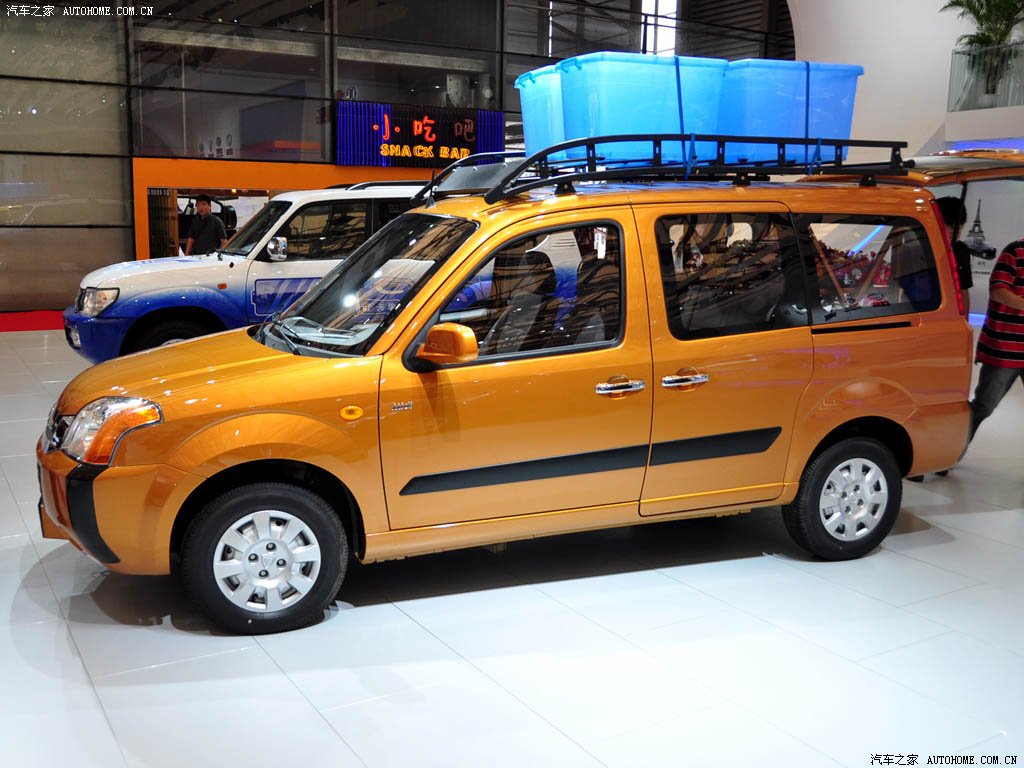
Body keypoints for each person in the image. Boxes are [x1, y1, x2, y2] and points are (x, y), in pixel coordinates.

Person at [967, 237, 1024, 443]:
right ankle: (947, 452)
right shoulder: (1016, 250)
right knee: (984, 406)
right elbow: (999, 291)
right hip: (1005, 348)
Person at [935, 196, 974, 313]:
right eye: (950, 229)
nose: (955, 235)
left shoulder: (961, 250)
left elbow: (963, 289)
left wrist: (964, 319)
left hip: (950, 312)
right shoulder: (919, 247)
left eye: (959, 229)